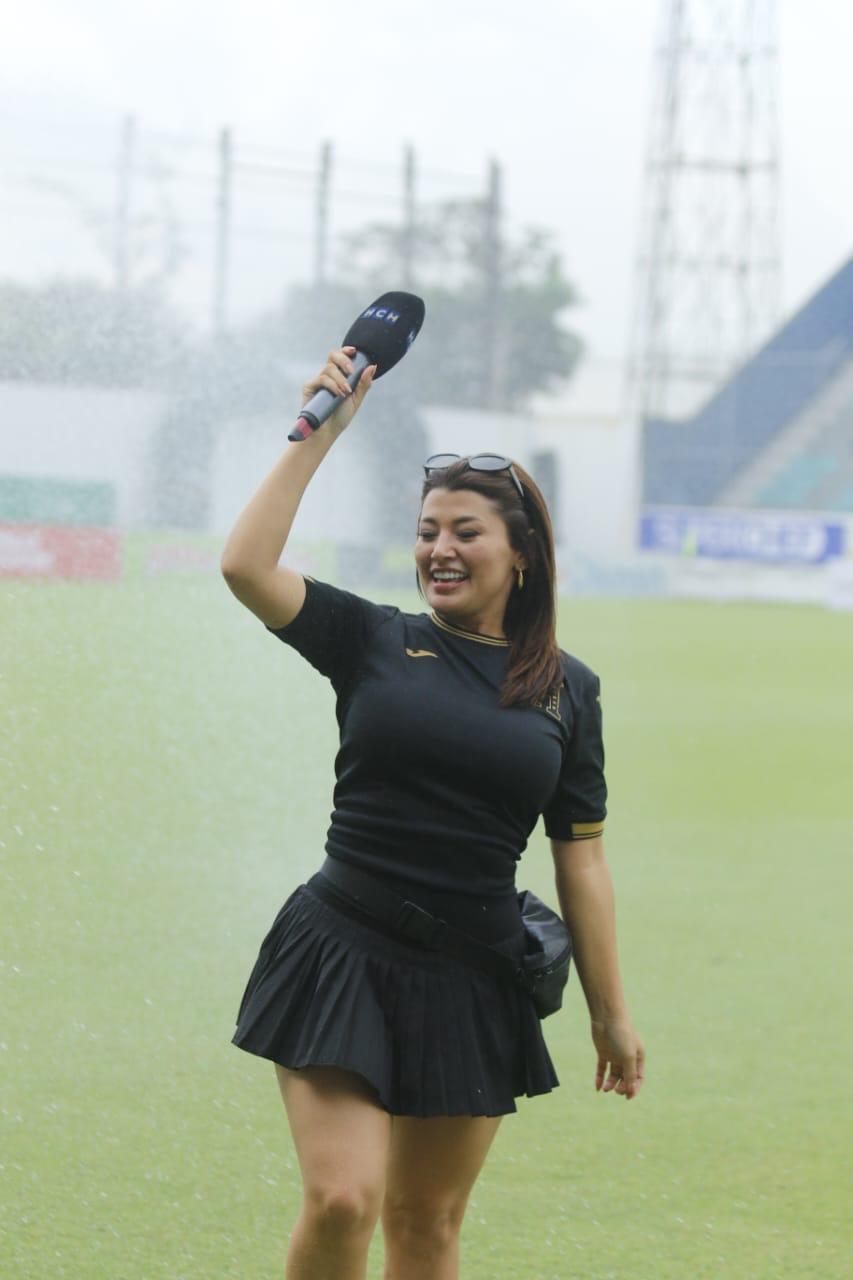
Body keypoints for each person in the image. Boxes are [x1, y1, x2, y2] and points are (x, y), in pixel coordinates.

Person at [220, 345, 646, 1280]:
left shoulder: (568, 692)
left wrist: (610, 1016)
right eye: (425, 532)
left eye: (464, 531)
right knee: (343, 1201)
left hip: (474, 975)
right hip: (343, 950)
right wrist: (319, 430)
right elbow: (246, 566)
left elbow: (581, 860)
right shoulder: (372, 638)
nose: (438, 550)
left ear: (522, 555)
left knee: (426, 1228)